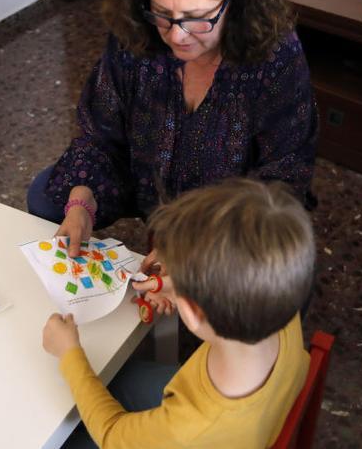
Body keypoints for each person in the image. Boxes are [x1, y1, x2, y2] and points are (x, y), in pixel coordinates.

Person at [27, 0, 319, 259]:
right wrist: (82, 204)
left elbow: (285, 177)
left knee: (257, 284)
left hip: (229, 212)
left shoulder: (275, 56)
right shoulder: (137, 32)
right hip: (144, 177)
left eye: (197, 17)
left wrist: (197, 250)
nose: (177, 35)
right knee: (46, 197)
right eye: (163, 13)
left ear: (236, 1)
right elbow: (100, 134)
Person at [42, 178, 315, 448]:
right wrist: (177, 285)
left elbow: (112, 436)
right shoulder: (276, 294)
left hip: (207, 431)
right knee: (118, 378)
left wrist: (69, 354)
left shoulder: (193, 426)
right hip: (262, 413)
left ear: (193, 311)